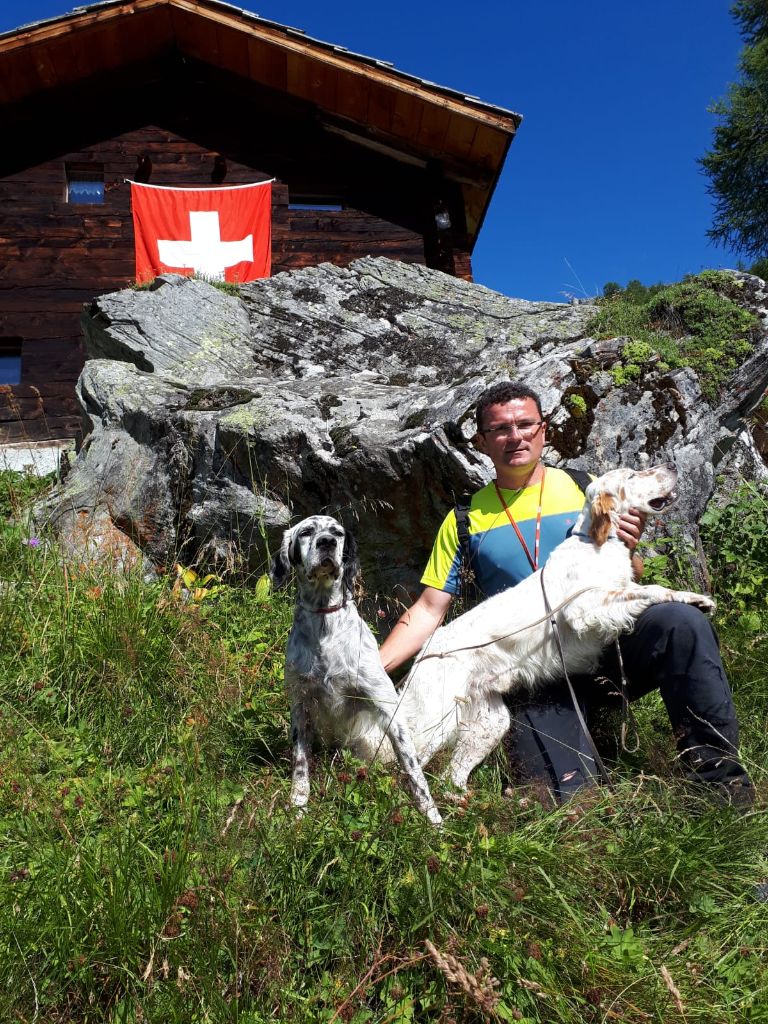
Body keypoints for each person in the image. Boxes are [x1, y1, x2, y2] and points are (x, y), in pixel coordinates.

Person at [379, 380, 754, 805]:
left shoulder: (586, 488)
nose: (515, 436)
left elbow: (629, 574)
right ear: (482, 441)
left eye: (525, 424)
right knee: (570, 806)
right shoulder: (464, 519)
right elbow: (429, 610)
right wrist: (371, 677)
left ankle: (721, 786)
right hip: (530, 675)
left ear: (544, 430)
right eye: (500, 429)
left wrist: (629, 548)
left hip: (606, 651)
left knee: (681, 622)